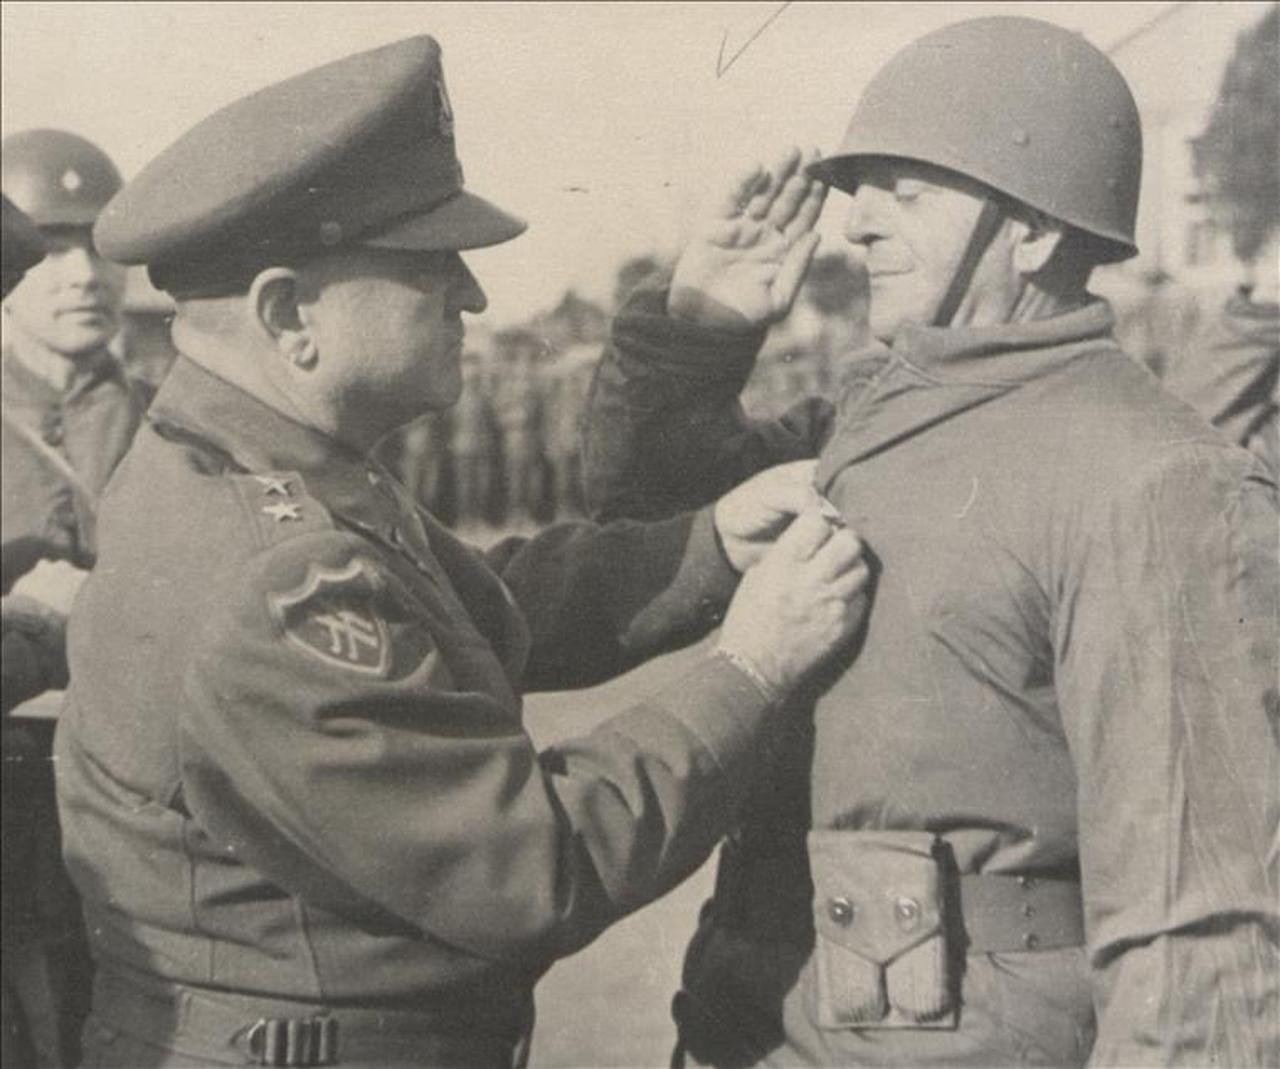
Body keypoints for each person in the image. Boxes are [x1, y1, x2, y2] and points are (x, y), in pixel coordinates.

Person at [56, 35, 872, 1068]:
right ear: (287, 313)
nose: (473, 295)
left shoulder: (267, 462)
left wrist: (709, 543)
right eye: (427, 265)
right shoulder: (265, 571)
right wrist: (751, 668)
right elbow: (532, 863)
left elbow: (472, 608)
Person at [583, 16, 1278, 1067]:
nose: (856, 226)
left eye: (903, 192)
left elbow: (1199, 934)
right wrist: (698, 331)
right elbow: (646, 526)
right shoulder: (865, 420)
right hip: (749, 1027)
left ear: (1031, 232)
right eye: (860, 191)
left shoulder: (1155, 480)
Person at [0, 129, 139, 1069]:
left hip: (130, 811)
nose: (82, 274)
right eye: (51, 248)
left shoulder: (176, 420)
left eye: (99, 245)